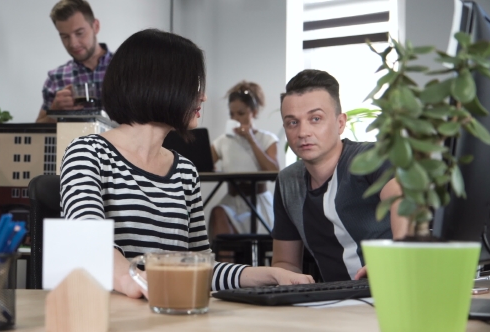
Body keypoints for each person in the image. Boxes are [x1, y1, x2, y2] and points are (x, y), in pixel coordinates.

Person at [60, 29, 314, 299]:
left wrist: (266, 274)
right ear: (160, 83)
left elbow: (198, 268)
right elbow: (86, 242)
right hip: (105, 317)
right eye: (194, 84)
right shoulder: (87, 153)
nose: (202, 97)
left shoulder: (184, 171)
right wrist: (135, 280)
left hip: (168, 312)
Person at [271, 69, 408, 282]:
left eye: (315, 118)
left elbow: (404, 204)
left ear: (340, 123)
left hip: (395, 289)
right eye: (292, 122)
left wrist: (393, 257)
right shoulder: (288, 183)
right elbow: (286, 264)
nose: (303, 132)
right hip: (334, 303)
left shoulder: (371, 159)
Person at [208, 81, 279, 240]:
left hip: (258, 203)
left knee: (259, 239)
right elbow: (203, 165)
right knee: (218, 212)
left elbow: (274, 170)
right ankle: (226, 263)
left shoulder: (266, 139)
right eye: (232, 115)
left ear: (253, 112)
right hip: (232, 201)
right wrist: (213, 168)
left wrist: (251, 139)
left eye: (241, 113)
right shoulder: (223, 141)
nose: (236, 119)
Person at [36, 0, 113, 123]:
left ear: (96, 26)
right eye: (65, 36)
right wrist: (55, 109)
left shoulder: (126, 68)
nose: (73, 43)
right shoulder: (56, 78)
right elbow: (38, 129)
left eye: (79, 33)